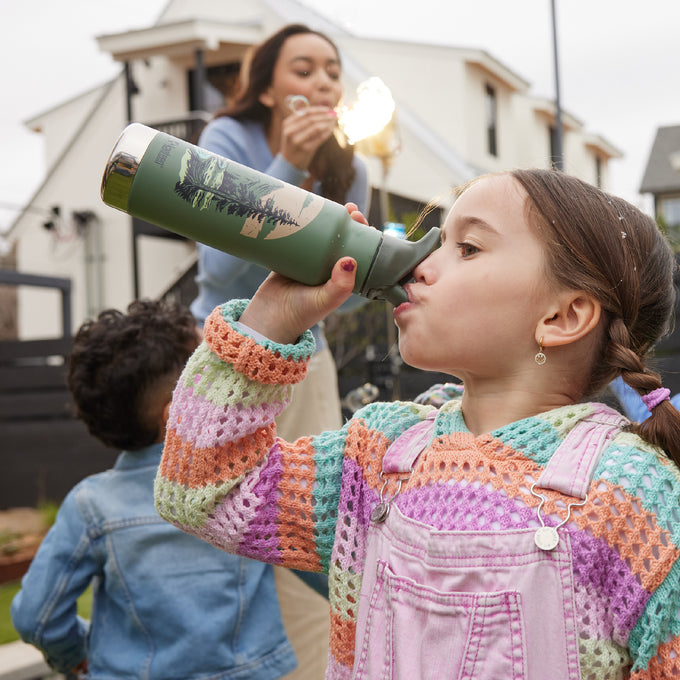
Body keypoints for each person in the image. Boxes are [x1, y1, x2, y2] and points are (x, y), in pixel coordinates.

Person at [155, 168, 680, 678]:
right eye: (437, 240)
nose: (421, 264)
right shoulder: (377, 454)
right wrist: (272, 318)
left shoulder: (635, 500)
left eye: (467, 248)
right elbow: (205, 490)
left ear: (560, 318)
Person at [189, 24, 370, 679]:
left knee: (301, 523)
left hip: (305, 362)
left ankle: (309, 664)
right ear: (266, 88)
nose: (321, 81)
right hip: (225, 357)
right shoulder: (226, 142)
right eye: (302, 69)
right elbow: (217, 269)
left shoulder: (354, 167)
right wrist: (289, 169)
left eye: (331, 69)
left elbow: (345, 294)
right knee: (212, 514)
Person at [11, 299, 297, 680]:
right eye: (210, 372)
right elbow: (330, 563)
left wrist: (75, 654)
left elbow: (36, 616)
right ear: (175, 411)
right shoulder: (249, 482)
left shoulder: (91, 505)